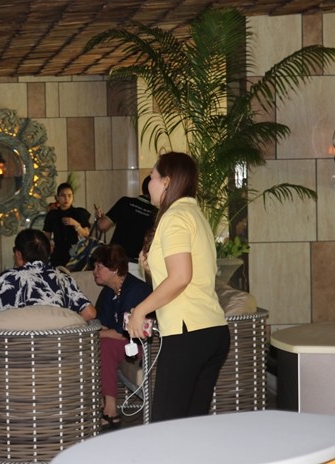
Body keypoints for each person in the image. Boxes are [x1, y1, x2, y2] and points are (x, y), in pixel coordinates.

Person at [126, 151, 229, 422]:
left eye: (152, 177)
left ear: (167, 181)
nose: (148, 183)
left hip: (188, 334)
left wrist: (139, 311)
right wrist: (151, 267)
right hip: (211, 330)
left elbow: (181, 277)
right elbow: (185, 275)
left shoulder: (175, 217)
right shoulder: (194, 213)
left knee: (167, 427)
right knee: (190, 425)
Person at [0, 229, 96, 323]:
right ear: (49, 251)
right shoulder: (63, 278)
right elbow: (90, 313)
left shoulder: (8, 279)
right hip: (56, 348)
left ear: (18, 254)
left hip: (16, 348)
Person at [91, 244, 152, 429]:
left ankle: (110, 410)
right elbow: (101, 323)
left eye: (99, 266)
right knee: (97, 344)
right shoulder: (108, 291)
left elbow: (123, 332)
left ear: (115, 269)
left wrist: (94, 336)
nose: (95, 271)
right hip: (125, 343)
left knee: (105, 345)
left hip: (145, 344)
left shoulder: (134, 290)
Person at [95, 175, 157, 280]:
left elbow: (102, 225)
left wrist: (98, 217)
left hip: (114, 261)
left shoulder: (125, 202)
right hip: (137, 266)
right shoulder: (157, 213)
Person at [43, 182, 91, 267]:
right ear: (57, 197)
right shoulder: (52, 214)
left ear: (73, 197)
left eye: (69, 195)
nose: (66, 198)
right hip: (58, 253)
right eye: (63, 195)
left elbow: (86, 234)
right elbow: (47, 236)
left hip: (76, 252)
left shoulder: (79, 213)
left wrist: (76, 224)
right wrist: (48, 246)